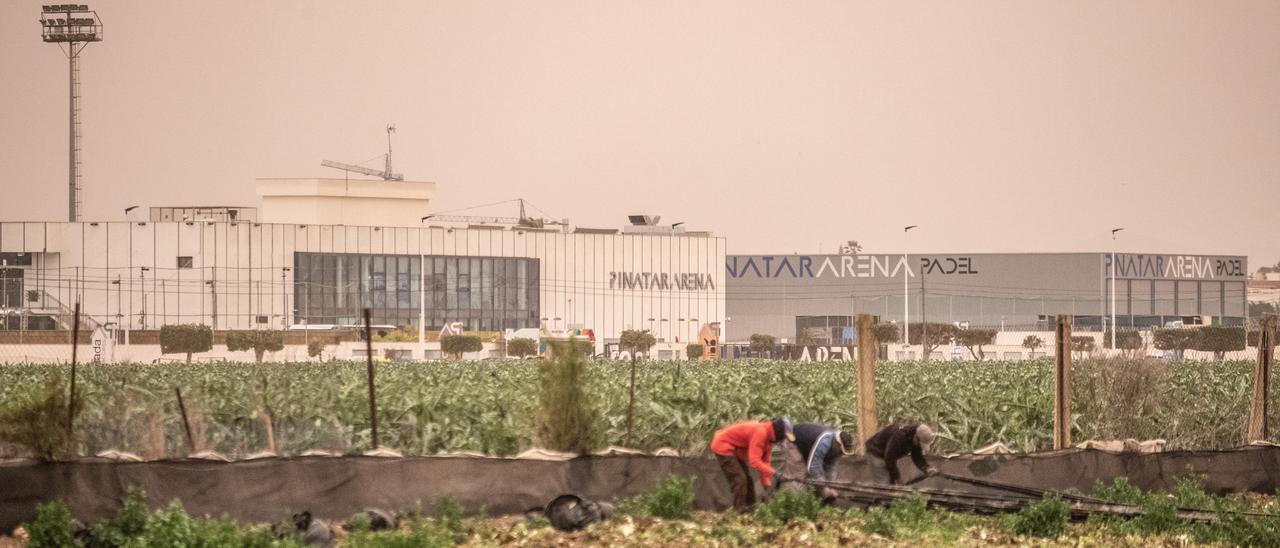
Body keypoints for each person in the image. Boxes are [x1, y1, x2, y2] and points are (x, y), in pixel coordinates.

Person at [710, 417, 796, 512]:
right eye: (784, 436)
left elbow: (765, 463)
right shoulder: (761, 432)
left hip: (735, 449)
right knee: (740, 479)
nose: (783, 439)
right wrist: (775, 473)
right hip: (723, 445)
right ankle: (739, 512)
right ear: (779, 431)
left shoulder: (769, 440)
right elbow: (754, 461)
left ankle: (750, 509)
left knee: (749, 479)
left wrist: (766, 485)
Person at [792, 423, 856, 501]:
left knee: (817, 480)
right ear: (837, 444)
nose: (841, 454)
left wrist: (830, 487)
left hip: (807, 447)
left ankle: (814, 502)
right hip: (793, 440)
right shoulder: (824, 442)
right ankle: (796, 502)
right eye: (841, 451)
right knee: (799, 474)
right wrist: (824, 489)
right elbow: (813, 467)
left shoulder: (835, 449)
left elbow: (831, 469)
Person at [865, 423, 939, 484]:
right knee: (884, 483)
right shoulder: (899, 437)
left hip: (887, 455)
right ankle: (880, 500)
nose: (919, 446)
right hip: (875, 452)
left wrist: (927, 468)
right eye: (920, 443)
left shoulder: (914, 439)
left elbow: (917, 456)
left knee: (891, 483)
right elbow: (889, 458)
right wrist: (897, 479)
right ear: (916, 437)